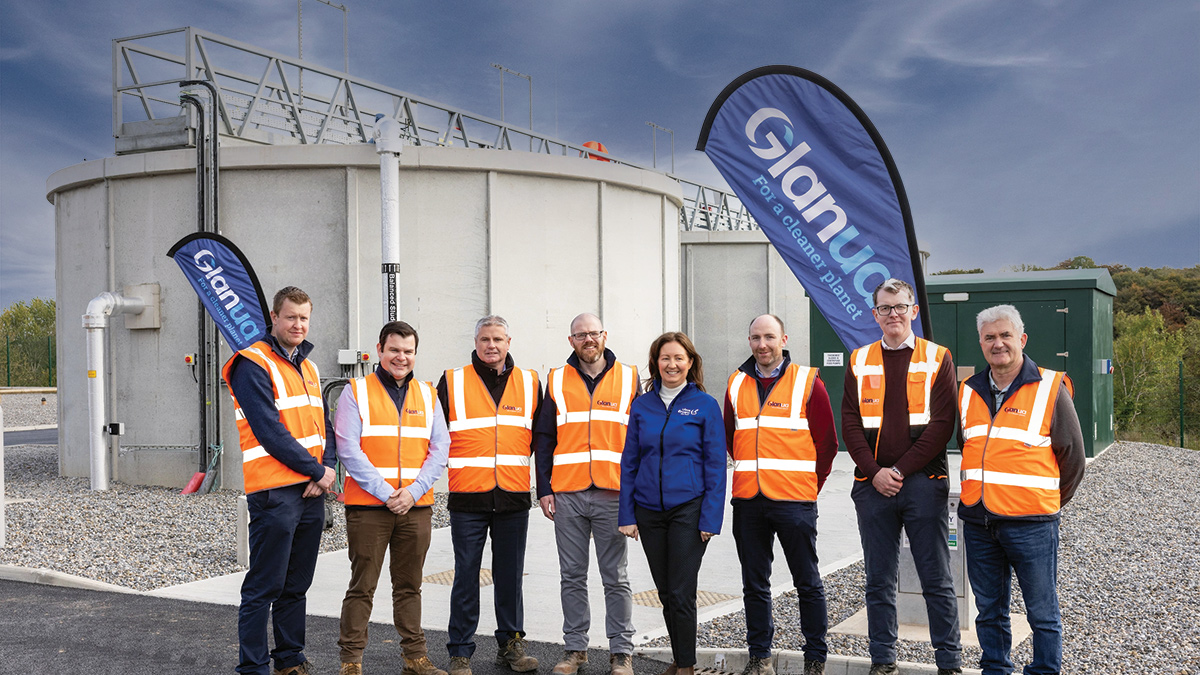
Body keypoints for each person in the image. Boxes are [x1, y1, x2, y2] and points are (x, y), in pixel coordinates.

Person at [841, 278, 963, 675]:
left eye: (899, 307)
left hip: (923, 485)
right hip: (873, 487)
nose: (892, 314)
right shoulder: (859, 360)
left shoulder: (937, 357)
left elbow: (942, 424)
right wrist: (875, 473)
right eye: (885, 308)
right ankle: (883, 660)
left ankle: (949, 663)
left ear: (913, 310)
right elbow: (850, 423)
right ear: (874, 314)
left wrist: (897, 470)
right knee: (879, 579)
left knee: (936, 578)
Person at [958, 305, 1086, 675]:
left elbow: (1073, 457)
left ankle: (1045, 670)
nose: (998, 344)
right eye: (989, 338)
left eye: (1005, 335)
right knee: (989, 609)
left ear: (1021, 339)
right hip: (980, 520)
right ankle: (995, 669)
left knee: (1041, 610)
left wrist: (1047, 502)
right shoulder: (968, 391)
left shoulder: (1050, 387)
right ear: (981, 343)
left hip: (1031, 523)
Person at [222, 286, 337, 675]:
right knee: (264, 586)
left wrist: (326, 470)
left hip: (310, 491)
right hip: (274, 492)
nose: (298, 324)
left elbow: (325, 427)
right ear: (274, 317)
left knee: (296, 585)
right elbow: (269, 431)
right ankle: (253, 668)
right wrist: (318, 472)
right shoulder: (251, 363)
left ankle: (290, 660)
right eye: (291, 317)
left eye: (304, 317)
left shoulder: (308, 366)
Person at [333, 321, 450, 675]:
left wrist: (412, 493)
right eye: (394, 349)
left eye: (408, 351)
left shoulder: (429, 395)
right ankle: (351, 661)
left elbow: (440, 449)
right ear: (380, 349)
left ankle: (415, 658)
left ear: (415, 354)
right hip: (370, 508)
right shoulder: (356, 392)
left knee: (410, 586)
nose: (401, 357)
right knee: (362, 585)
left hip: (416, 507)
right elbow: (348, 450)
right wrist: (389, 494)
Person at [725, 315, 838, 675]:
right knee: (755, 584)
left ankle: (815, 658)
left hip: (795, 503)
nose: (763, 344)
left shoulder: (808, 382)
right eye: (756, 337)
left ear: (783, 339)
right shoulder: (736, 383)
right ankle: (760, 656)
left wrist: (808, 487)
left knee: (807, 581)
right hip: (748, 501)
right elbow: (732, 438)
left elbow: (828, 444)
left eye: (769, 337)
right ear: (749, 340)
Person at [436, 315, 542, 675]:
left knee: (510, 576)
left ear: (509, 341)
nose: (491, 345)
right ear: (476, 342)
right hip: (468, 498)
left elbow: (540, 439)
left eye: (498, 338)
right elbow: (435, 437)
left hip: (512, 496)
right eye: (484, 339)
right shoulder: (452, 381)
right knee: (466, 575)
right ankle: (460, 651)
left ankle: (511, 645)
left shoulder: (530, 383)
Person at [534, 313, 639, 675]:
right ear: (571, 340)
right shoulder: (557, 379)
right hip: (569, 493)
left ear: (604, 335)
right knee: (572, 575)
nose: (588, 340)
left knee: (616, 576)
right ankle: (575, 649)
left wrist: (635, 494)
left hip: (614, 492)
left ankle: (621, 652)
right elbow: (545, 437)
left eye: (593, 333)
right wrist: (544, 488)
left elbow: (639, 438)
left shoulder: (629, 377)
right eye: (581, 335)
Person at [618, 332, 726, 675]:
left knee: (681, 590)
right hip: (649, 512)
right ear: (656, 363)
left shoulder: (705, 405)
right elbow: (630, 461)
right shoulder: (642, 405)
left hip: (688, 510)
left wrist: (711, 518)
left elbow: (715, 464)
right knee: (666, 591)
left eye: (679, 358)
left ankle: (687, 666)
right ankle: (681, 659)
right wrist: (627, 514)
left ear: (690, 362)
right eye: (665, 358)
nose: (672, 364)